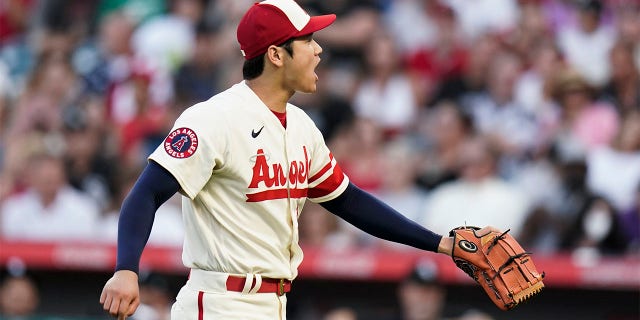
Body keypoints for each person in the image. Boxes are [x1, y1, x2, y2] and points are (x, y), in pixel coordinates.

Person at [99, 1, 497, 319]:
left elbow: (348, 201)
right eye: (307, 40)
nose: (319, 49)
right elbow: (146, 194)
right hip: (220, 301)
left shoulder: (302, 127)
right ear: (276, 54)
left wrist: (442, 244)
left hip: (273, 304)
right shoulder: (213, 118)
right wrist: (126, 269)